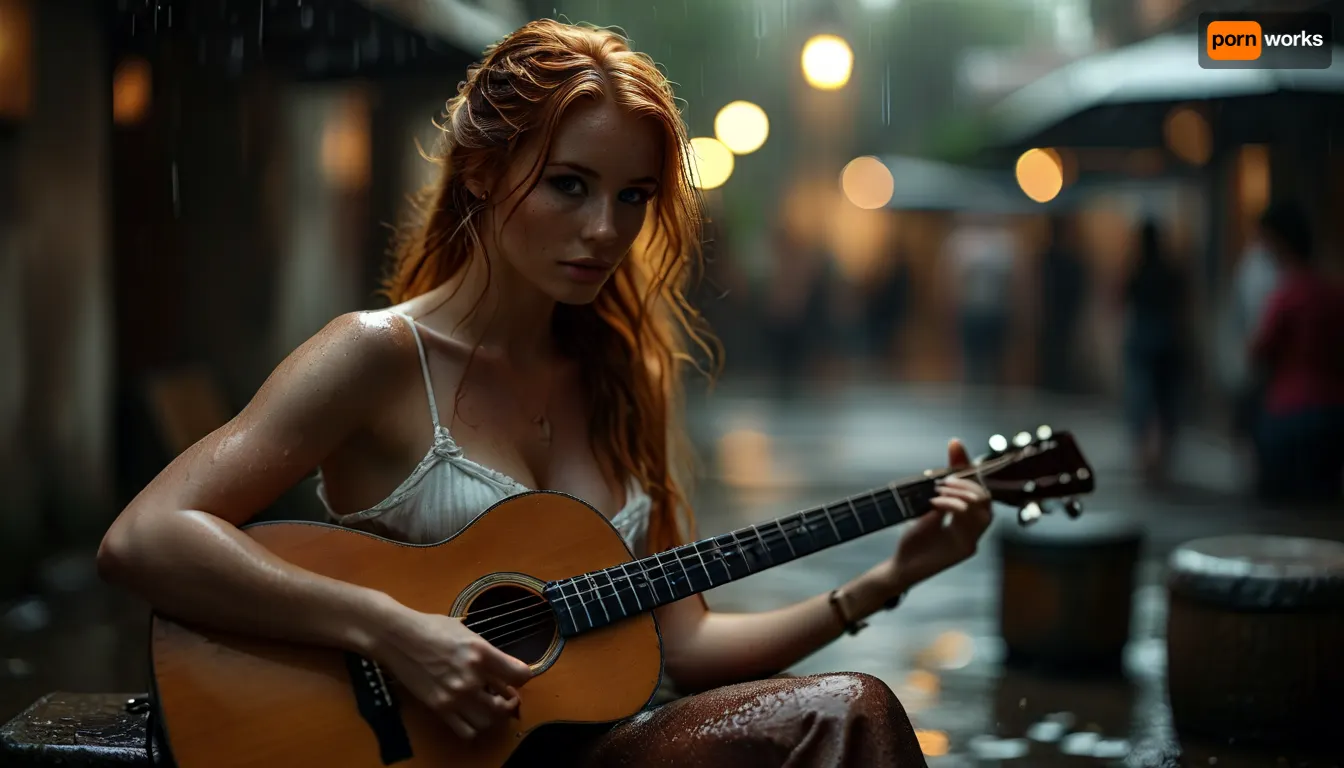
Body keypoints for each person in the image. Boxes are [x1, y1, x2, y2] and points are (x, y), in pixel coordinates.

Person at [95, 20, 992, 767]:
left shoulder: (619, 381)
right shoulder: (376, 356)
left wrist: (888, 578)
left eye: (634, 196)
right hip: (419, 754)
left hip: (597, 752)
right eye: (570, 186)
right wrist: (389, 630)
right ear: (482, 171)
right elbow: (146, 538)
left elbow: (685, 647)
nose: (605, 231)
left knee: (851, 716)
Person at [1247, 201, 1344, 503]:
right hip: (1333, 410)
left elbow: (1259, 351)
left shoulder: (1285, 296)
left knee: (1284, 510)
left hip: (1288, 413)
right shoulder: (1331, 293)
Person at [1120, 219, 1187, 486]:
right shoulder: (1170, 270)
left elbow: (1122, 302)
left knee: (1141, 398)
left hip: (1142, 337)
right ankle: (1163, 456)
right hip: (1167, 338)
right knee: (1165, 400)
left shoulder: (1136, 270)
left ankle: (1143, 456)